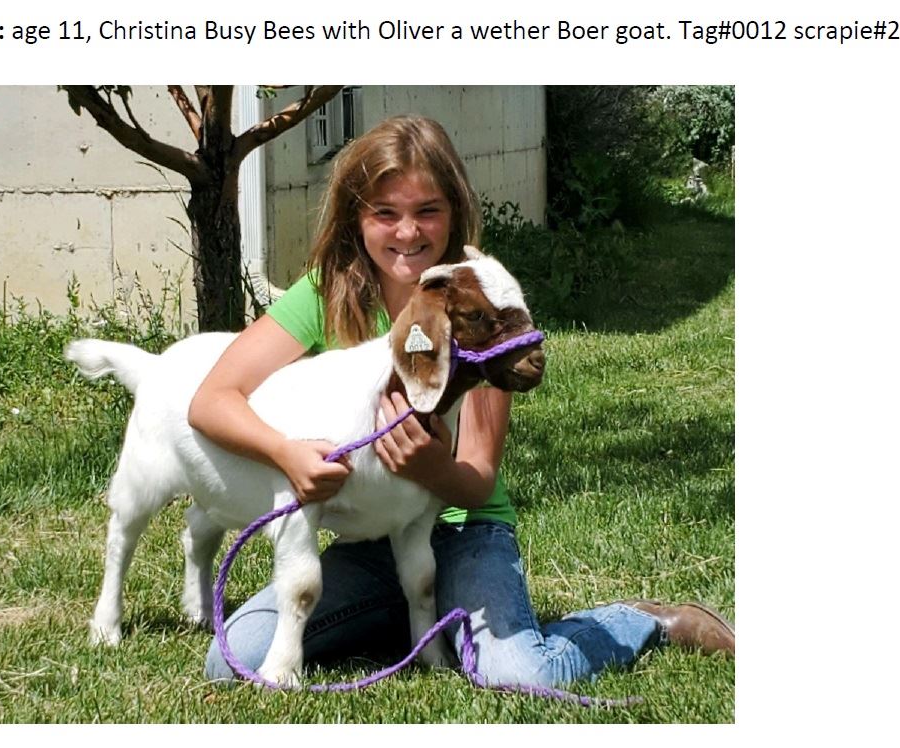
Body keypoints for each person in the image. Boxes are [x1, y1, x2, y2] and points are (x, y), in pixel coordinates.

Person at [189, 115, 734, 689]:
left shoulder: (482, 306)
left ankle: (646, 622)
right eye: (385, 213)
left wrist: (431, 467)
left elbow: (476, 480)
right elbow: (211, 401)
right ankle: (410, 614)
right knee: (233, 659)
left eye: (427, 210)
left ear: (454, 210)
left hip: (464, 530)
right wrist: (285, 454)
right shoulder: (330, 293)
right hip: (371, 538)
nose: (407, 232)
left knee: (524, 675)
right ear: (356, 216)